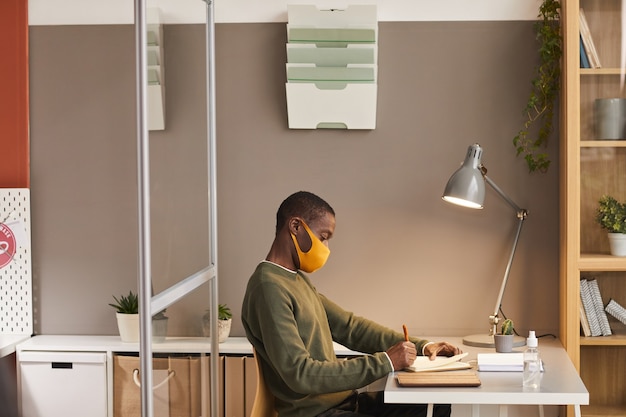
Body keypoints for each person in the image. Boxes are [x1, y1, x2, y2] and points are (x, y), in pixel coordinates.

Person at [242, 191, 462, 417]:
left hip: (344, 404)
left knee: (434, 402)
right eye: (323, 236)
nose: (326, 248)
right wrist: (386, 362)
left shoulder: (296, 281)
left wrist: (423, 346)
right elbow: (300, 373)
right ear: (296, 226)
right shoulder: (268, 287)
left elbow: (350, 327)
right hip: (318, 414)